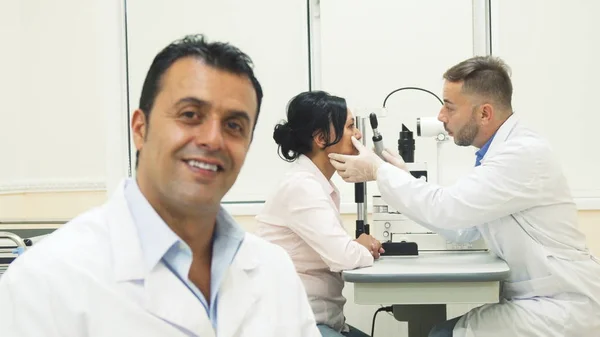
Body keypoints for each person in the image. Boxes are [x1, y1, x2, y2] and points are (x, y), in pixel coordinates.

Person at [0, 34, 320, 337]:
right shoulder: (45, 281)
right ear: (140, 128)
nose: (212, 139)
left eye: (234, 125)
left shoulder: (273, 269)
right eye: (190, 114)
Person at [328, 56, 600, 337]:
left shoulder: (522, 154)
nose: (441, 116)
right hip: (540, 297)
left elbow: (448, 209)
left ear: (484, 113)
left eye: (449, 107)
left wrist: (379, 171)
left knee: (442, 335)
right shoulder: (498, 154)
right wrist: (399, 178)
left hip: (561, 306)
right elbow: (462, 228)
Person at [255, 91, 383, 337]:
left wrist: (357, 246)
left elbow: (339, 250)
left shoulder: (316, 184)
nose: (358, 135)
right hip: (294, 326)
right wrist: (362, 246)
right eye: (350, 127)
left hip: (318, 319)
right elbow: (343, 256)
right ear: (321, 138)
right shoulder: (301, 186)